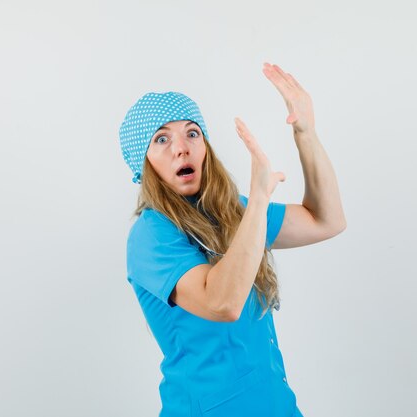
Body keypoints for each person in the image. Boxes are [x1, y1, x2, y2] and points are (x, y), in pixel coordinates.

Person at [119, 62, 346, 417]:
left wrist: (305, 132)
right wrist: (257, 201)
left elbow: (326, 220)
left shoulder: (231, 211)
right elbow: (222, 302)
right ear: (142, 161)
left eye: (192, 133)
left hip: (277, 406)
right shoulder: (150, 235)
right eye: (161, 139)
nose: (182, 148)